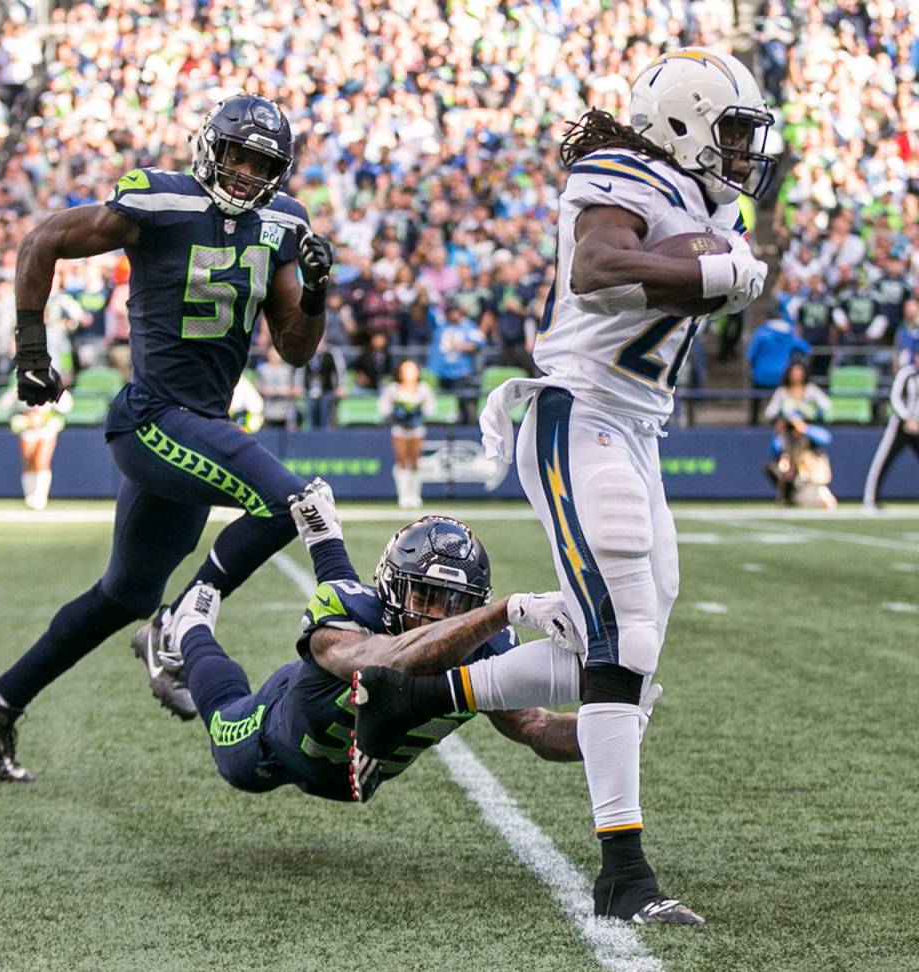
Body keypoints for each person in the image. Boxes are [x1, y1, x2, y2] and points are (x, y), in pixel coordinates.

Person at [352, 48, 777, 926]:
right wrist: (712, 269)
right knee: (622, 639)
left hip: (634, 426)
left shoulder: (711, 203)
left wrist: (714, 260)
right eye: (732, 131)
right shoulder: (625, 174)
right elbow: (596, 266)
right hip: (577, 413)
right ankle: (623, 872)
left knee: (626, 644)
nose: (743, 151)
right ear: (685, 122)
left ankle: (415, 695)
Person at [0, 93, 334, 782]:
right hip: (153, 417)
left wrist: (315, 290)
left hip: (202, 425)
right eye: (238, 155)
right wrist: (31, 350)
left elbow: (296, 349)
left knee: (124, 592)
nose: (246, 173)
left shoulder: (282, 223)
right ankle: (177, 623)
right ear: (211, 148)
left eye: (262, 164)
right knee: (292, 503)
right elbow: (42, 240)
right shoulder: (161, 200)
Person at [163, 481, 588, 805]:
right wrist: (510, 608)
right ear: (391, 586)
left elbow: (536, 727)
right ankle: (189, 626)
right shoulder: (354, 614)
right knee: (223, 722)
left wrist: (606, 730)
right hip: (275, 739)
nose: (439, 616)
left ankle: (324, 537)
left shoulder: (485, 645)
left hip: (347, 770)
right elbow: (387, 662)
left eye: (455, 604)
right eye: (424, 596)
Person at [763, 361, 835, 508]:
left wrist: (805, 427)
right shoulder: (783, 392)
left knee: (807, 494)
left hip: (808, 472)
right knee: (776, 467)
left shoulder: (810, 392)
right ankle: (787, 496)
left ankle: (817, 494)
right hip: (792, 470)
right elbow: (774, 449)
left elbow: (826, 436)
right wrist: (781, 426)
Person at [862, 346, 919, 511]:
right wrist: (907, 418)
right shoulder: (906, 373)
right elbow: (895, 398)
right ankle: (870, 500)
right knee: (882, 460)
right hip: (900, 425)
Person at [378, 359, 435, 510]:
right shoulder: (393, 388)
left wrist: (418, 412)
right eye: (406, 370)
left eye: (412, 369)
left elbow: (430, 407)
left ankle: (415, 496)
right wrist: (396, 414)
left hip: (417, 429)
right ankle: (403, 496)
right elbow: (383, 407)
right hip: (399, 429)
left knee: (415, 461)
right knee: (402, 460)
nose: (409, 373)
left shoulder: (423, 388)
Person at [7, 388, 75, 510]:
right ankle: (30, 495)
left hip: (47, 428)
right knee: (28, 461)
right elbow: (6, 404)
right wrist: (26, 416)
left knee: (42, 461)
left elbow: (66, 405)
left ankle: (40, 497)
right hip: (28, 428)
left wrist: (45, 416)